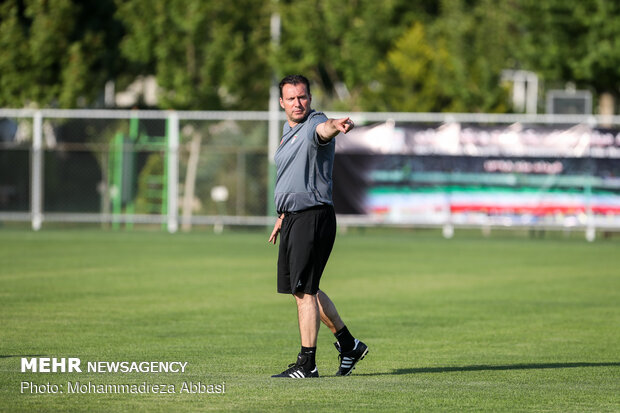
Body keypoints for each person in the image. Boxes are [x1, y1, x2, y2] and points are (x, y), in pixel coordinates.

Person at [268, 74, 368, 379]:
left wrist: (335, 125)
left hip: (313, 216)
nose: (298, 103)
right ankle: (349, 344)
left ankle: (307, 363)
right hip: (295, 217)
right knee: (305, 289)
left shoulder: (315, 123)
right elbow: (295, 176)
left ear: (309, 99)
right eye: (292, 98)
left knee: (304, 291)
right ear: (282, 102)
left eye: (303, 97)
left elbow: (323, 130)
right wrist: (283, 216)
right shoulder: (288, 130)